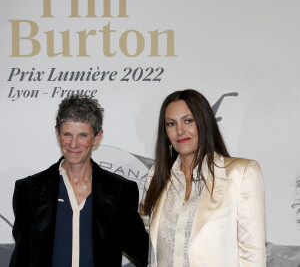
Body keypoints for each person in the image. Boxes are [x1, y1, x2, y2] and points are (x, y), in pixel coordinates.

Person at [9, 95, 148, 267]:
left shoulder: (121, 190)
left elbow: (144, 253)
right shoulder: (29, 190)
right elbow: (22, 258)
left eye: (83, 135)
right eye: (67, 134)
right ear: (58, 133)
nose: (73, 144)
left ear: (97, 137)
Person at [140, 89, 266, 267]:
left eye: (188, 121)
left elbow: (252, 253)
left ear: (204, 123)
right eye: (171, 124)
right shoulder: (157, 174)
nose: (180, 131)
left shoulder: (241, 173)